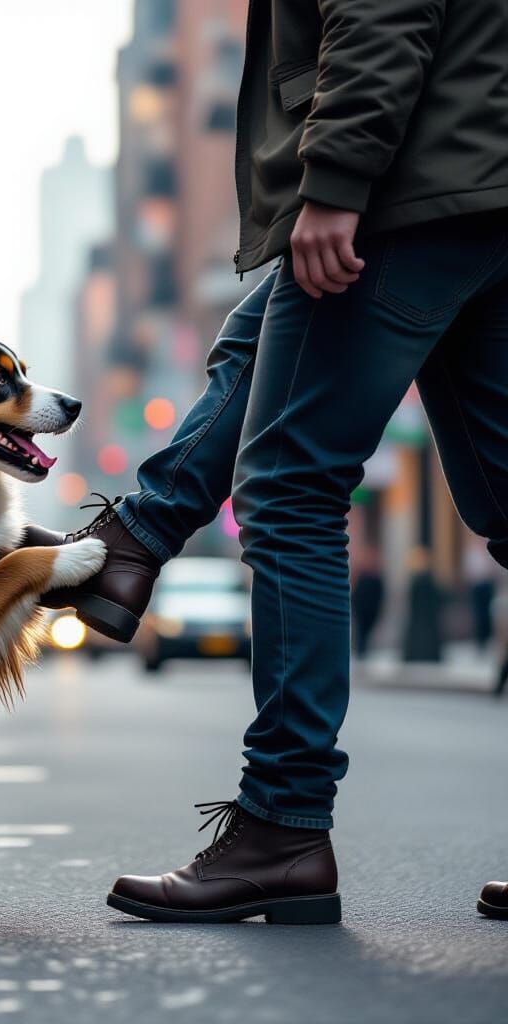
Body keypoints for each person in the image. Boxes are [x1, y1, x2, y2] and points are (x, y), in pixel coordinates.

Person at [42, 0, 508, 923]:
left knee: (291, 490)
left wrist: (335, 180)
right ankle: (138, 536)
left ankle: (283, 825)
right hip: (478, 182)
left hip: (412, 182)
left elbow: (384, 10)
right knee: (254, 345)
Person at [350, 545, 385, 659]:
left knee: (366, 632)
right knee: (362, 632)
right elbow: (356, 594)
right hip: (362, 610)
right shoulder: (363, 576)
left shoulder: (376, 578)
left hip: (370, 610)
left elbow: (379, 595)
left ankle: (362, 650)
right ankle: (361, 651)